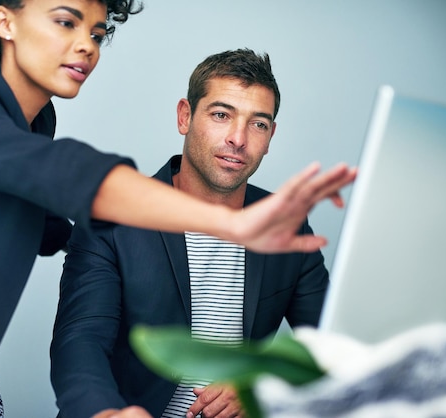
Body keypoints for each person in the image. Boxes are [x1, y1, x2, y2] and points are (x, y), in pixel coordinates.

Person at [0, 0, 355, 417]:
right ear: (5, 21)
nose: (87, 45)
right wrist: (228, 223)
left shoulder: (33, 126)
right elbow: (65, 178)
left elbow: (42, 213)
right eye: (66, 21)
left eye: (96, 31)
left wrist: (262, 388)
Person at [50, 48, 333, 418]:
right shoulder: (113, 218)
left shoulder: (286, 224)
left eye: (258, 123)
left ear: (271, 135)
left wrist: (262, 384)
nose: (238, 138)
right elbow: (80, 341)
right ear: (185, 116)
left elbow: (335, 346)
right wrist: (106, 413)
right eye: (221, 115)